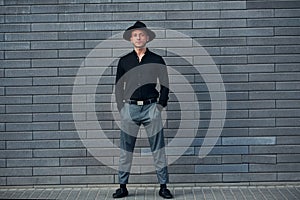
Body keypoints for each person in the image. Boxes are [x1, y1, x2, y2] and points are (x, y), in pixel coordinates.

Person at [113, 21, 173, 199]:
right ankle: (122, 186)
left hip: (151, 108)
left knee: (158, 149)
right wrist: (122, 108)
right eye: (135, 35)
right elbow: (118, 87)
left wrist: (160, 106)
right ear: (131, 39)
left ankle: (163, 186)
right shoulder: (124, 61)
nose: (138, 37)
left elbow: (165, 85)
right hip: (130, 108)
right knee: (126, 149)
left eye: (141, 34)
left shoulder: (157, 59)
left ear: (147, 38)